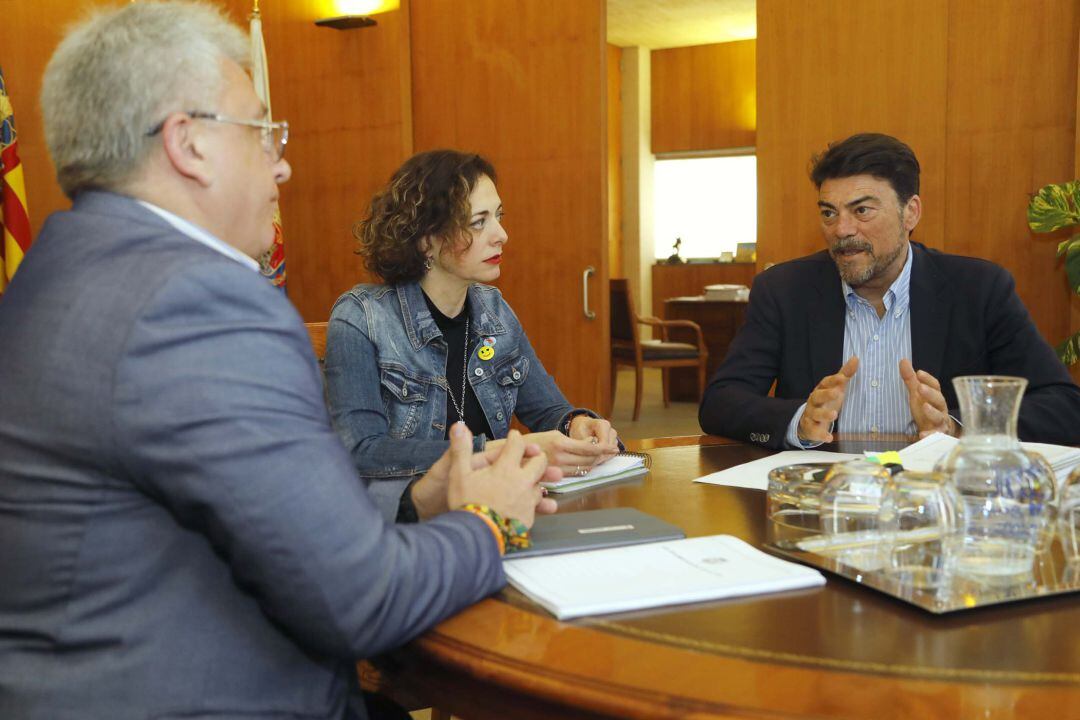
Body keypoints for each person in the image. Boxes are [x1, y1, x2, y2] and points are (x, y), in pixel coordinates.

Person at [0, 3, 557, 719]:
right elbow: (363, 599)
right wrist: (489, 521)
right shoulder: (198, 308)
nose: (283, 162)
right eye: (263, 132)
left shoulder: (54, 277)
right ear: (188, 144)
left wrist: (422, 501)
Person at [699, 132, 1080, 449]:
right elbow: (720, 402)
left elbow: (1065, 407)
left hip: (936, 503)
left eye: (862, 210)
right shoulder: (785, 290)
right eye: (829, 212)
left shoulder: (978, 290)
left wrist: (958, 427)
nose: (842, 230)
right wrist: (800, 420)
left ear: (910, 212)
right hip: (827, 500)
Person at [325, 149, 621, 521]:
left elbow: (548, 410)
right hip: (406, 525)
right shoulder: (361, 317)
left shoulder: (495, 311)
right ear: (426, 240)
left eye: (497, 216)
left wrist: (576, 423)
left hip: (493, 513)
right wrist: (496, 451)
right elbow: (362, 451)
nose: (502, 235)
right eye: (478, 222)